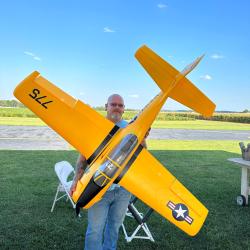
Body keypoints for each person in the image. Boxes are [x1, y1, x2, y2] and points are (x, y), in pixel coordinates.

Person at [70, 94, 147, 250]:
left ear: (124, 109)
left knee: (114, 228)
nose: (117, 108)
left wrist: (143, 138)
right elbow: (82, 159)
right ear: (106, 106)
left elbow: (141, 154)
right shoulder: (95, 128)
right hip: (98, 188)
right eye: (113, 104)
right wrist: (75, 180)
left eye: (120, 105)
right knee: (95, 230)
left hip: (123, 190)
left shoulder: (130, 128)